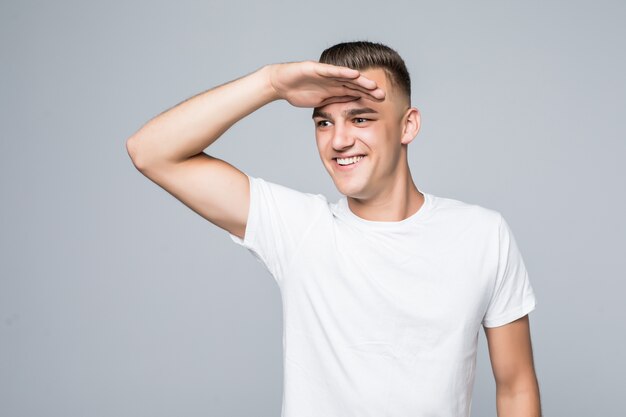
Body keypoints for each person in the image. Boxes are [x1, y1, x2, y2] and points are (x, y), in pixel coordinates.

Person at [126, 40, 542, 417]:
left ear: (407, 126)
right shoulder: (299, 228)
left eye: (360, 119)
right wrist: (271, 83)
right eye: (323, 123)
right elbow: (151, 152)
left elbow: (516, 386)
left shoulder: (482, 235)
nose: (338, 140)